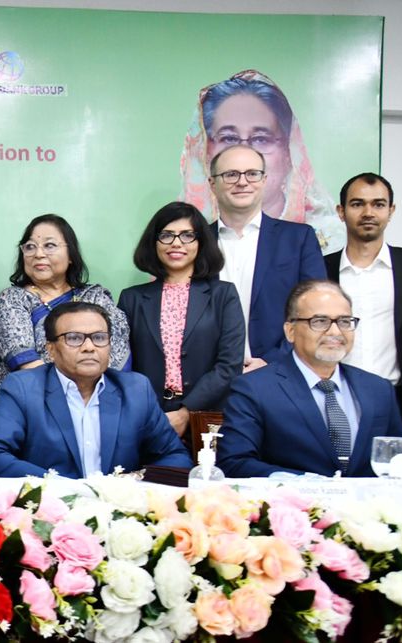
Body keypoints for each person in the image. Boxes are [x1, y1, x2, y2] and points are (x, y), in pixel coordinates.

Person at [0, 302, 193, 478]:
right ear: (51, 349)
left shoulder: (135, 390)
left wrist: (134, 484)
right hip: (50, 510)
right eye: (74, 338)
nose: (89, 347)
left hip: (117, 510)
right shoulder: (24, 388)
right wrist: (58, 486)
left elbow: (176, 457)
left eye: (99, 338)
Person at [219, 280, 402, 477]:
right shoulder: (255, 388)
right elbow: (234, 462)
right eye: (320, 321)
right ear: (290, 331)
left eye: (344, 321)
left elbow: (399, 461)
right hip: (292, 496)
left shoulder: (379, 389)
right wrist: (308, 485)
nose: (335, 332)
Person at [324, 173, 402, 457]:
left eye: (378, 204)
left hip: (400, 402)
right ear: (341, 211)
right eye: (357, 204)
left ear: (391, 210)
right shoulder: (320, 268)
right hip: (332, 402)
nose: (368, 212)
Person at [118, 202, 245, 436]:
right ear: (154, 242)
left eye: (187, 235)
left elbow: (229, 366)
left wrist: (186, 412)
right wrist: (151, 413)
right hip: (148, 417)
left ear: (201, 242)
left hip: (208, 416)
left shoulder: (223, 295)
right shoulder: (132, 299)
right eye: (166, 235)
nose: (176, 243)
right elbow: (124, 367)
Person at [179, 69, 340, 251]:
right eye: (229, 138)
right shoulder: (184, 239)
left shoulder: (330, 239)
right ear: (205, 153)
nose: (245, 153)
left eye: (261, 139)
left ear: (289, 153)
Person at [208, 144, 326, 367]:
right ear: (212, 184)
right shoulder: (195, 242)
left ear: (264, 180)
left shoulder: (298, 239)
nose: (242, 182)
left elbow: (315, 311)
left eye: (252, 174)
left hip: (279, 372)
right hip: (211, 376)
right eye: (231, 174)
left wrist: (271, 362)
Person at [0, 214, 129, 393]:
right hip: (30, 399)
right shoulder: (13, 299)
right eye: (30, 247)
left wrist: (89, 397)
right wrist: (69, 396)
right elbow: (24, 360)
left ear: (71, 255)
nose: (39, 254)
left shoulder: (96, 297)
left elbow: (117, 354)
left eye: (49, 245)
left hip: (97, 399)